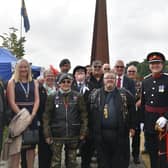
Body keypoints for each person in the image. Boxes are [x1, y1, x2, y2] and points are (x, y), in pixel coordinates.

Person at [90, 71, 136, 168]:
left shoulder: (125, 94)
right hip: (101, 134)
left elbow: (132, 111)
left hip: (119, 134)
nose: (109, 80)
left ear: (115, 80)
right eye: (107, 78)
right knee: (103, 161)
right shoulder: (95, 94)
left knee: (118, 161)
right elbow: (89, 113)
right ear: (103, 80)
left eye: (112, 78)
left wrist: (132, 127)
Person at [43, 73, 88, 168]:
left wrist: (83, 132)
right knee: (55, 162)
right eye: (63, 82)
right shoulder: (52, 96)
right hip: (57, 134)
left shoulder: (78, 96)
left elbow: (84, 115)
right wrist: (47, 134)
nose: (66, 84)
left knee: (72, 162)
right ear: (59, 83)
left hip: (73, 134)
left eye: (68, 81)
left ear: (71, 83)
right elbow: (46, 116)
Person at [7, 59, 39, 168]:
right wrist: (24, 118)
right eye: (21, 67)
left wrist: (33, 115)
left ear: (28, 68)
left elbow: (37, 100)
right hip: (18, 117)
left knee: (31, 147)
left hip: (32, 116)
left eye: (25, 67)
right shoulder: (12, 82)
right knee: (16, 148)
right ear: (17, 68)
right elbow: (11, 102)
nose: (23, 69)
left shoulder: (34, 82)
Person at [141, 52, 168, 168]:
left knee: (163, 153)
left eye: (157, 63)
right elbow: (143, 103)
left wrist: (166, 117)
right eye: (152, 63)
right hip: (149, 123)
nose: (155, 65)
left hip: (164, 124)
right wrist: (142, 121)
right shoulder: (145, 81)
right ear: (149, 65)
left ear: (162, 65)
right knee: (151, 152)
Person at [71, 66, 91, 168]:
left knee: (86, 148)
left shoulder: (90, 86)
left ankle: (85, 165)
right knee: (72, 149)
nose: (80, 74)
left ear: (86, 75)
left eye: (82, 72)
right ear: (74, 75)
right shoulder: (69, 87)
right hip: (73, 122)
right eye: (78, 72)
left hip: (87, 122)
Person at [37, 69, 55, 168]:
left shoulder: (58, 90)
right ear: (44, 78)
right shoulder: (39, 90)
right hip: (43, 125)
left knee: (54, 152)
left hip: (55, 126)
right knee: (43, 152)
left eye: (52, 76)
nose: (50, 78)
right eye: (48, 76)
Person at [127, 65, 141, 164]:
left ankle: (136, 155)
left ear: (136, 73)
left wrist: (140, 101)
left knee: (136, 135)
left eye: (133, 71)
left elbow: (145, 95)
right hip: (125, 112)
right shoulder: (124, 82)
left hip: (136, 113)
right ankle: (125, 155)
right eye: (129, 71)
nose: (131, 73)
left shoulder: (141, 84)